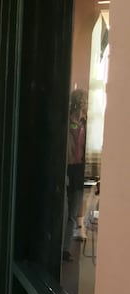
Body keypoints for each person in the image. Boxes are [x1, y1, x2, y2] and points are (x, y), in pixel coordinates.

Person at [63, 89, 88, 262]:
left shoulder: (85, 124)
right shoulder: (69, 123)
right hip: (66, 169)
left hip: (79, 170)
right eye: (84, 101)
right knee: (63, 212)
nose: (85, 105)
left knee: (72, 212)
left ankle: (66, 249)